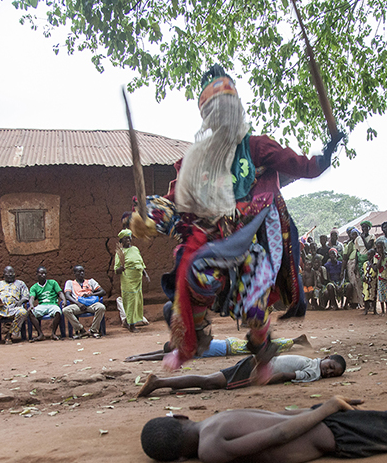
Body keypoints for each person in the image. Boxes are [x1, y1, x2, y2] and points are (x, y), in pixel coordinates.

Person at [128, 65, 344, 374]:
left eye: (228, 108)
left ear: (237, 109)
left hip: (249, 238)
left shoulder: (255, 147)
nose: (222, 115)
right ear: (207, 115)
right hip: (211, 238)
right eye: (215, 109)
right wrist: (147, 216)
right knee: (196, 278)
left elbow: (302, 166)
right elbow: (175, 199)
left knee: (256, 301)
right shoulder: (194, 159)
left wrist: (326, 154)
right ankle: (195, 338)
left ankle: (263, 352)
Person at [140, 386, 387, 463]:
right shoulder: (213, 424)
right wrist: (322, 408)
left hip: (332, 431)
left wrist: (324, 408)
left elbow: (278, 432)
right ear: (180, 417)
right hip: (329, 425)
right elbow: (277, 425)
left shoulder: (209, 447)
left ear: (176, 457)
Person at [136, 353, 347, 397]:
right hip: (255, 371)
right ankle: (158, 382)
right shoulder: (313, 371)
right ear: (326, 357)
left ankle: (166, 384)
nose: (327, 372)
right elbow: (287, 375)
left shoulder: (312, 361)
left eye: (332, 374)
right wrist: (261, 380)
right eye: (330, 366)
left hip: (254, 363)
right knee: (210, 382)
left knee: (211, 382)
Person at [124, 334, 312, 362]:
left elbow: (161, 356)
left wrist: (140, 358)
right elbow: (162, 353)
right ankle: (293, 342)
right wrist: (138, 355)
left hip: (231, 348)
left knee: (261, 348)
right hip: (229, 344)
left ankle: (295, 341)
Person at [115, 228, 150, 333]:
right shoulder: (120, 252)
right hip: (128, 280)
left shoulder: (135, 249)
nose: (128, 240)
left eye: (129, 238)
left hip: (137, 280)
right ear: (121, 241)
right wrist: (120, 269)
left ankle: (128, 321)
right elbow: (116, 270)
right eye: (125, 238)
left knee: (137, 301)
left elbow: (140, 264)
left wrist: (146, 275)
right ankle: (131, 325)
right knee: (130, 301)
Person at [0, 266, 29, 347]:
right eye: (8, 273)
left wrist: (21, 301)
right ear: (4, 275)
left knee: (23, 312)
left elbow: (26, 296)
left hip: (13, 308)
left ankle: (10, 335)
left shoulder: (20, 283)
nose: (10, 275)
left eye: (12, 273)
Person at [63, 265, 107, 339]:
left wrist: (92, 294)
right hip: (78, 305)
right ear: (74, 273)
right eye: (79, 272)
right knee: (66, 310)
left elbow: (103, 292)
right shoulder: (70, 283)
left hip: (91, 304)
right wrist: (78, 304)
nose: (82, 273)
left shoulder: (91, 281)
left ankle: (93, 330)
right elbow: (67, 295)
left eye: (83, 271)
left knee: (101, 307)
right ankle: (81, 330)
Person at [28, 266, 66, 341]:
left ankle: (53, 333)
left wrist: (64, 300)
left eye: (45, 273)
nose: (43, 275)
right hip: (42, 305)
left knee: (58, 312)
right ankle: (40, 334)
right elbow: (32, 297)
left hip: (52, 304)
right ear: (37, 274)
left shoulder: (52, 283)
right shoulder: (34, 287)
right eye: (41, 273)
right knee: (30, 313)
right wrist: (31, 305)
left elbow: (60, 292)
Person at [373, 241, 387, 315]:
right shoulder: (376, 257)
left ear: (384, 248)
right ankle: (383, 311)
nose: (379, 250)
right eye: (378, 248)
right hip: (381, 278)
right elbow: (377, 267)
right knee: (382, 295)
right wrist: (381, 257)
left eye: (381, 248)